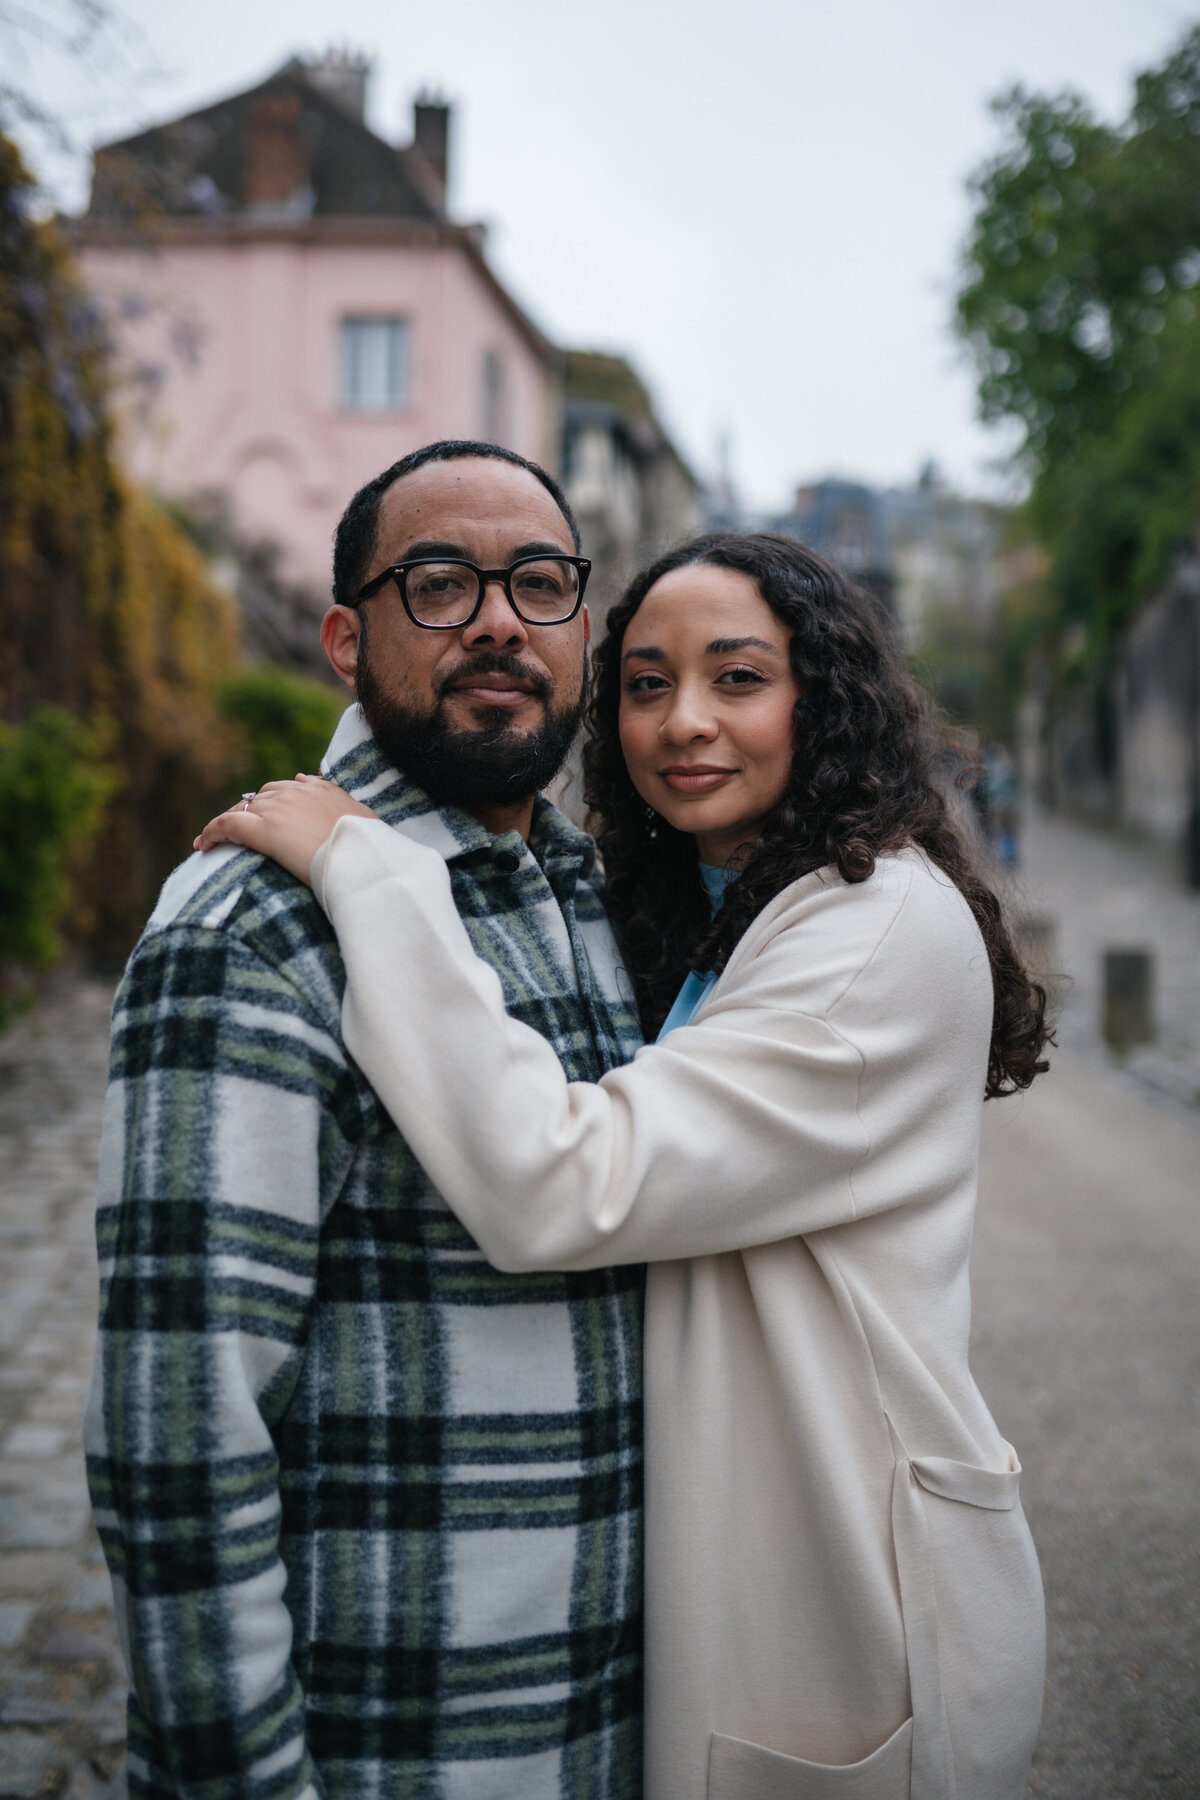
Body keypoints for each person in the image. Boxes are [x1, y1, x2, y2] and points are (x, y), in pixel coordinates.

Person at [199, 531, 1052, 1800]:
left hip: (846, 1595)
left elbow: (562, 1178)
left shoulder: (874, 931)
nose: (683, 723)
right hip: (736, 1569)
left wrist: (366, 867)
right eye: (646, 683)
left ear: (824, 703)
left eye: (738, 678)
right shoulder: (730, 898)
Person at [85, 441, 646, 1800]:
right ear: (346, 639)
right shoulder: (259, 929)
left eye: (541, 584)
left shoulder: (602, 907)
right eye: (441, 583)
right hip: (401, 1749)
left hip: (610, 1738)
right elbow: (179, 1443)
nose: (501, 619)